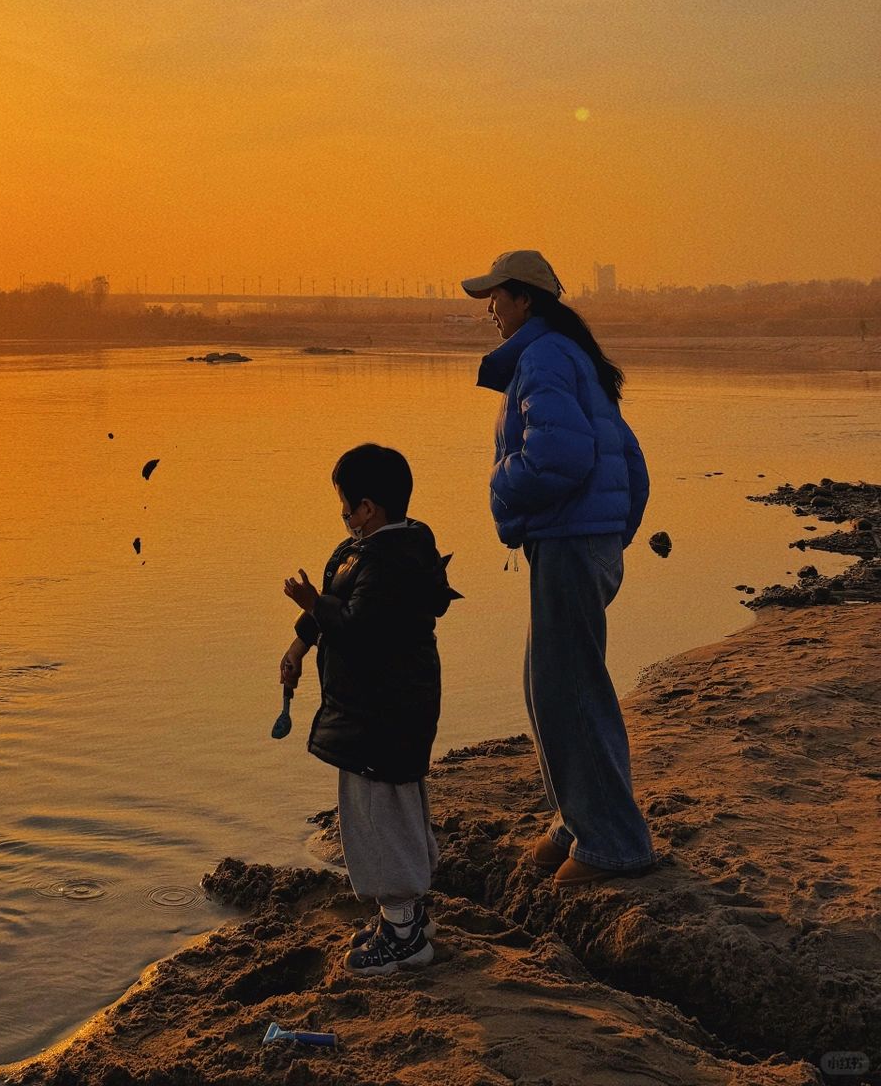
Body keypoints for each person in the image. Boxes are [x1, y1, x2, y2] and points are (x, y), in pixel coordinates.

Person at [460, 249, 654, 884]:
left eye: (495, 297)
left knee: (568, 688)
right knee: (552, 685)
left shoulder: (544, 357)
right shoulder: (566, 355)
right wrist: (613, 533)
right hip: (578, 538)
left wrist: (499, 485)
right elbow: (627, 456)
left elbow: (563, 455)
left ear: (525, 300)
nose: (489, 309)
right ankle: (577, 820)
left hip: (572, 540)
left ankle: (614, 844)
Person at [280, 443, 461, 975]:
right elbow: (338, 601)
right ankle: (406, 918)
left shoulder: (396, 559)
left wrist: (314, 604)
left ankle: (405, 932)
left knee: (381, 814)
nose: (340, 513)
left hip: (387, 712)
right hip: (365, 710)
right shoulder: (362, 550)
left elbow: (361, 626)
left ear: (368, 508)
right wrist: (298, 644)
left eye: (345, 502)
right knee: (381, 806)